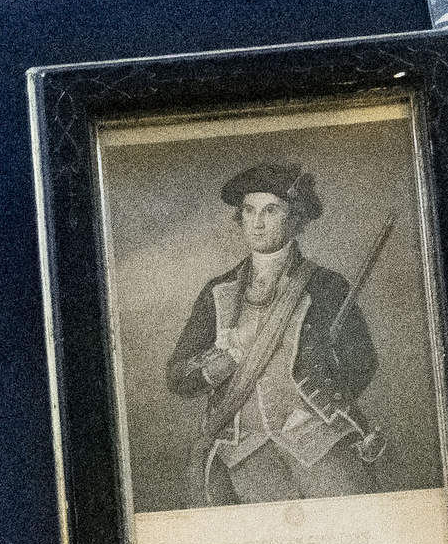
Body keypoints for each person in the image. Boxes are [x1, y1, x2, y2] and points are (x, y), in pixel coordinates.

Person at [158, 163, 381, 507]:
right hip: (242, 450)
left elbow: (362, 361)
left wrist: (319, 396)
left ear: (296, 219)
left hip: (316, 439)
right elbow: (177, 376)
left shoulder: (327, 286)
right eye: (249, 211)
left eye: (270, 210)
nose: (257, 222)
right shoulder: (217, 292)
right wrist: (215, 368)